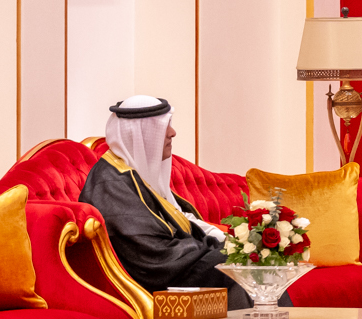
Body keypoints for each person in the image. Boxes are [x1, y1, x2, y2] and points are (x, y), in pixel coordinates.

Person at [80, 96, 257, 306]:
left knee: (248, 257)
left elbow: (179, 219)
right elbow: (149, 253)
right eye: (163, 127)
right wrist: (216, 250)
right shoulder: (110, 183)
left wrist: (226, 242)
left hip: (174, 262)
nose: (172, 133)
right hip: (156, 275)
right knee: (235, 262)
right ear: (140, 133)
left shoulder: (134, 172)